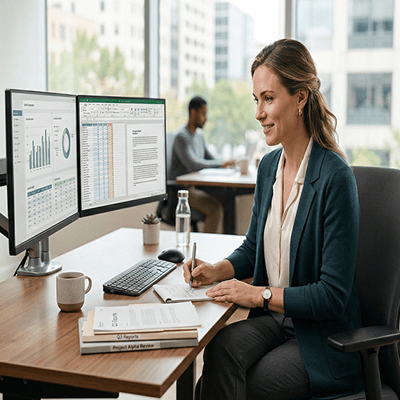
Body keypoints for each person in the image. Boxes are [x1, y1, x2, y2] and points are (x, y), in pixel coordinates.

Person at [183, 39, 363, 400]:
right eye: (256, 100)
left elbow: (333, 296)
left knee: (242, 387)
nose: (258, 112)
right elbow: (254, 248)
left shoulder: (335, 177)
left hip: (321, 334)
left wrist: (257, 294)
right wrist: (218, 269)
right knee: (217, 355)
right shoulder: (268, 168)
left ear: (300, 99)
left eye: (268, 98)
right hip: (274, 322)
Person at [169, 96, 235, 233]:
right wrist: (221, 164)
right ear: (193, 113)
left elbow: (210, 158)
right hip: (182, 190)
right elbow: (194, 164)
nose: (206, 118)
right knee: (214, 208)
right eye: (203, 114)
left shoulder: (199, 135)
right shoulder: (182, 137)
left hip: (197, 186)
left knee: (226, 200)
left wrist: (225, 162)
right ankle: (204, 250)